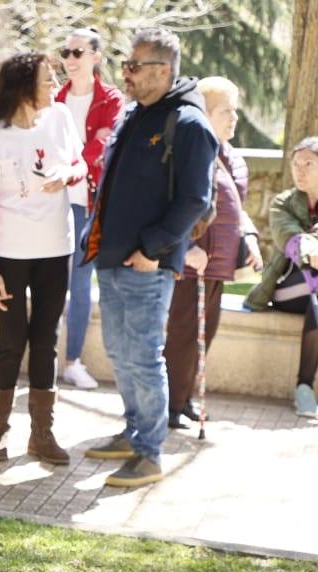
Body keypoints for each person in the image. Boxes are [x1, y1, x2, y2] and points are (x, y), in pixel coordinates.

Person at [81, 27, 217, 487]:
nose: (127, 74)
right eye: (126, 65)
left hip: (146, 263)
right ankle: (134, 430)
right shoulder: (137, 114)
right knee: (121, 353)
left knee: (142, 355)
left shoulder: (190, 124)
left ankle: (149, 451)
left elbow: (196, 200)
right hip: (112, 257)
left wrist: (151, 248)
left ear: (162, 71)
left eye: (134, 66)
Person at [0, 53, 85, 463]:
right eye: (47, 80)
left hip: (57, 248)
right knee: (10, 342)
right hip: (10, 255)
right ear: (23, 88)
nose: (55, 86)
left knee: (46, 341)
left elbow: (81, 164)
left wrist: (67, 175)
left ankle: (42, 435)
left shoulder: (61, 119)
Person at [164, 77, 262, 429]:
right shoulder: (193, 150)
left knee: (205, 334)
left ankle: (185, 398)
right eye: (226, 110)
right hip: (192, 263)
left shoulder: (228, 154)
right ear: (205, 113)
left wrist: (248, 235)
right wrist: (186, 246)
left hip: (218, 264)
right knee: (183, 335)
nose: (234, 117)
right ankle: (170, 406)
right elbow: (173, 202)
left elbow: (237, 205)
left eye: (235, 109)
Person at [55, 27, 124, 390]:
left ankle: (72, 361)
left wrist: (73, 161)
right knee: (50, 280)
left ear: (96, 56)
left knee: (81, 284)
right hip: (52, 202)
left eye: (78, 52)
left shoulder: (112, 99)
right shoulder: (54, 99)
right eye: (65, 52)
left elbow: (104, 145)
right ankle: (46, 355)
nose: (70, 59)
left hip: (88, 202)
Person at [243, 136, 318, 418]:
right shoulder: (283, 203)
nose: (299, 170)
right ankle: (303, 387)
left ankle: (305, 389)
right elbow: (294, 244)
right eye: (296, 163)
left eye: (308, 164)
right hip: (287, 286)